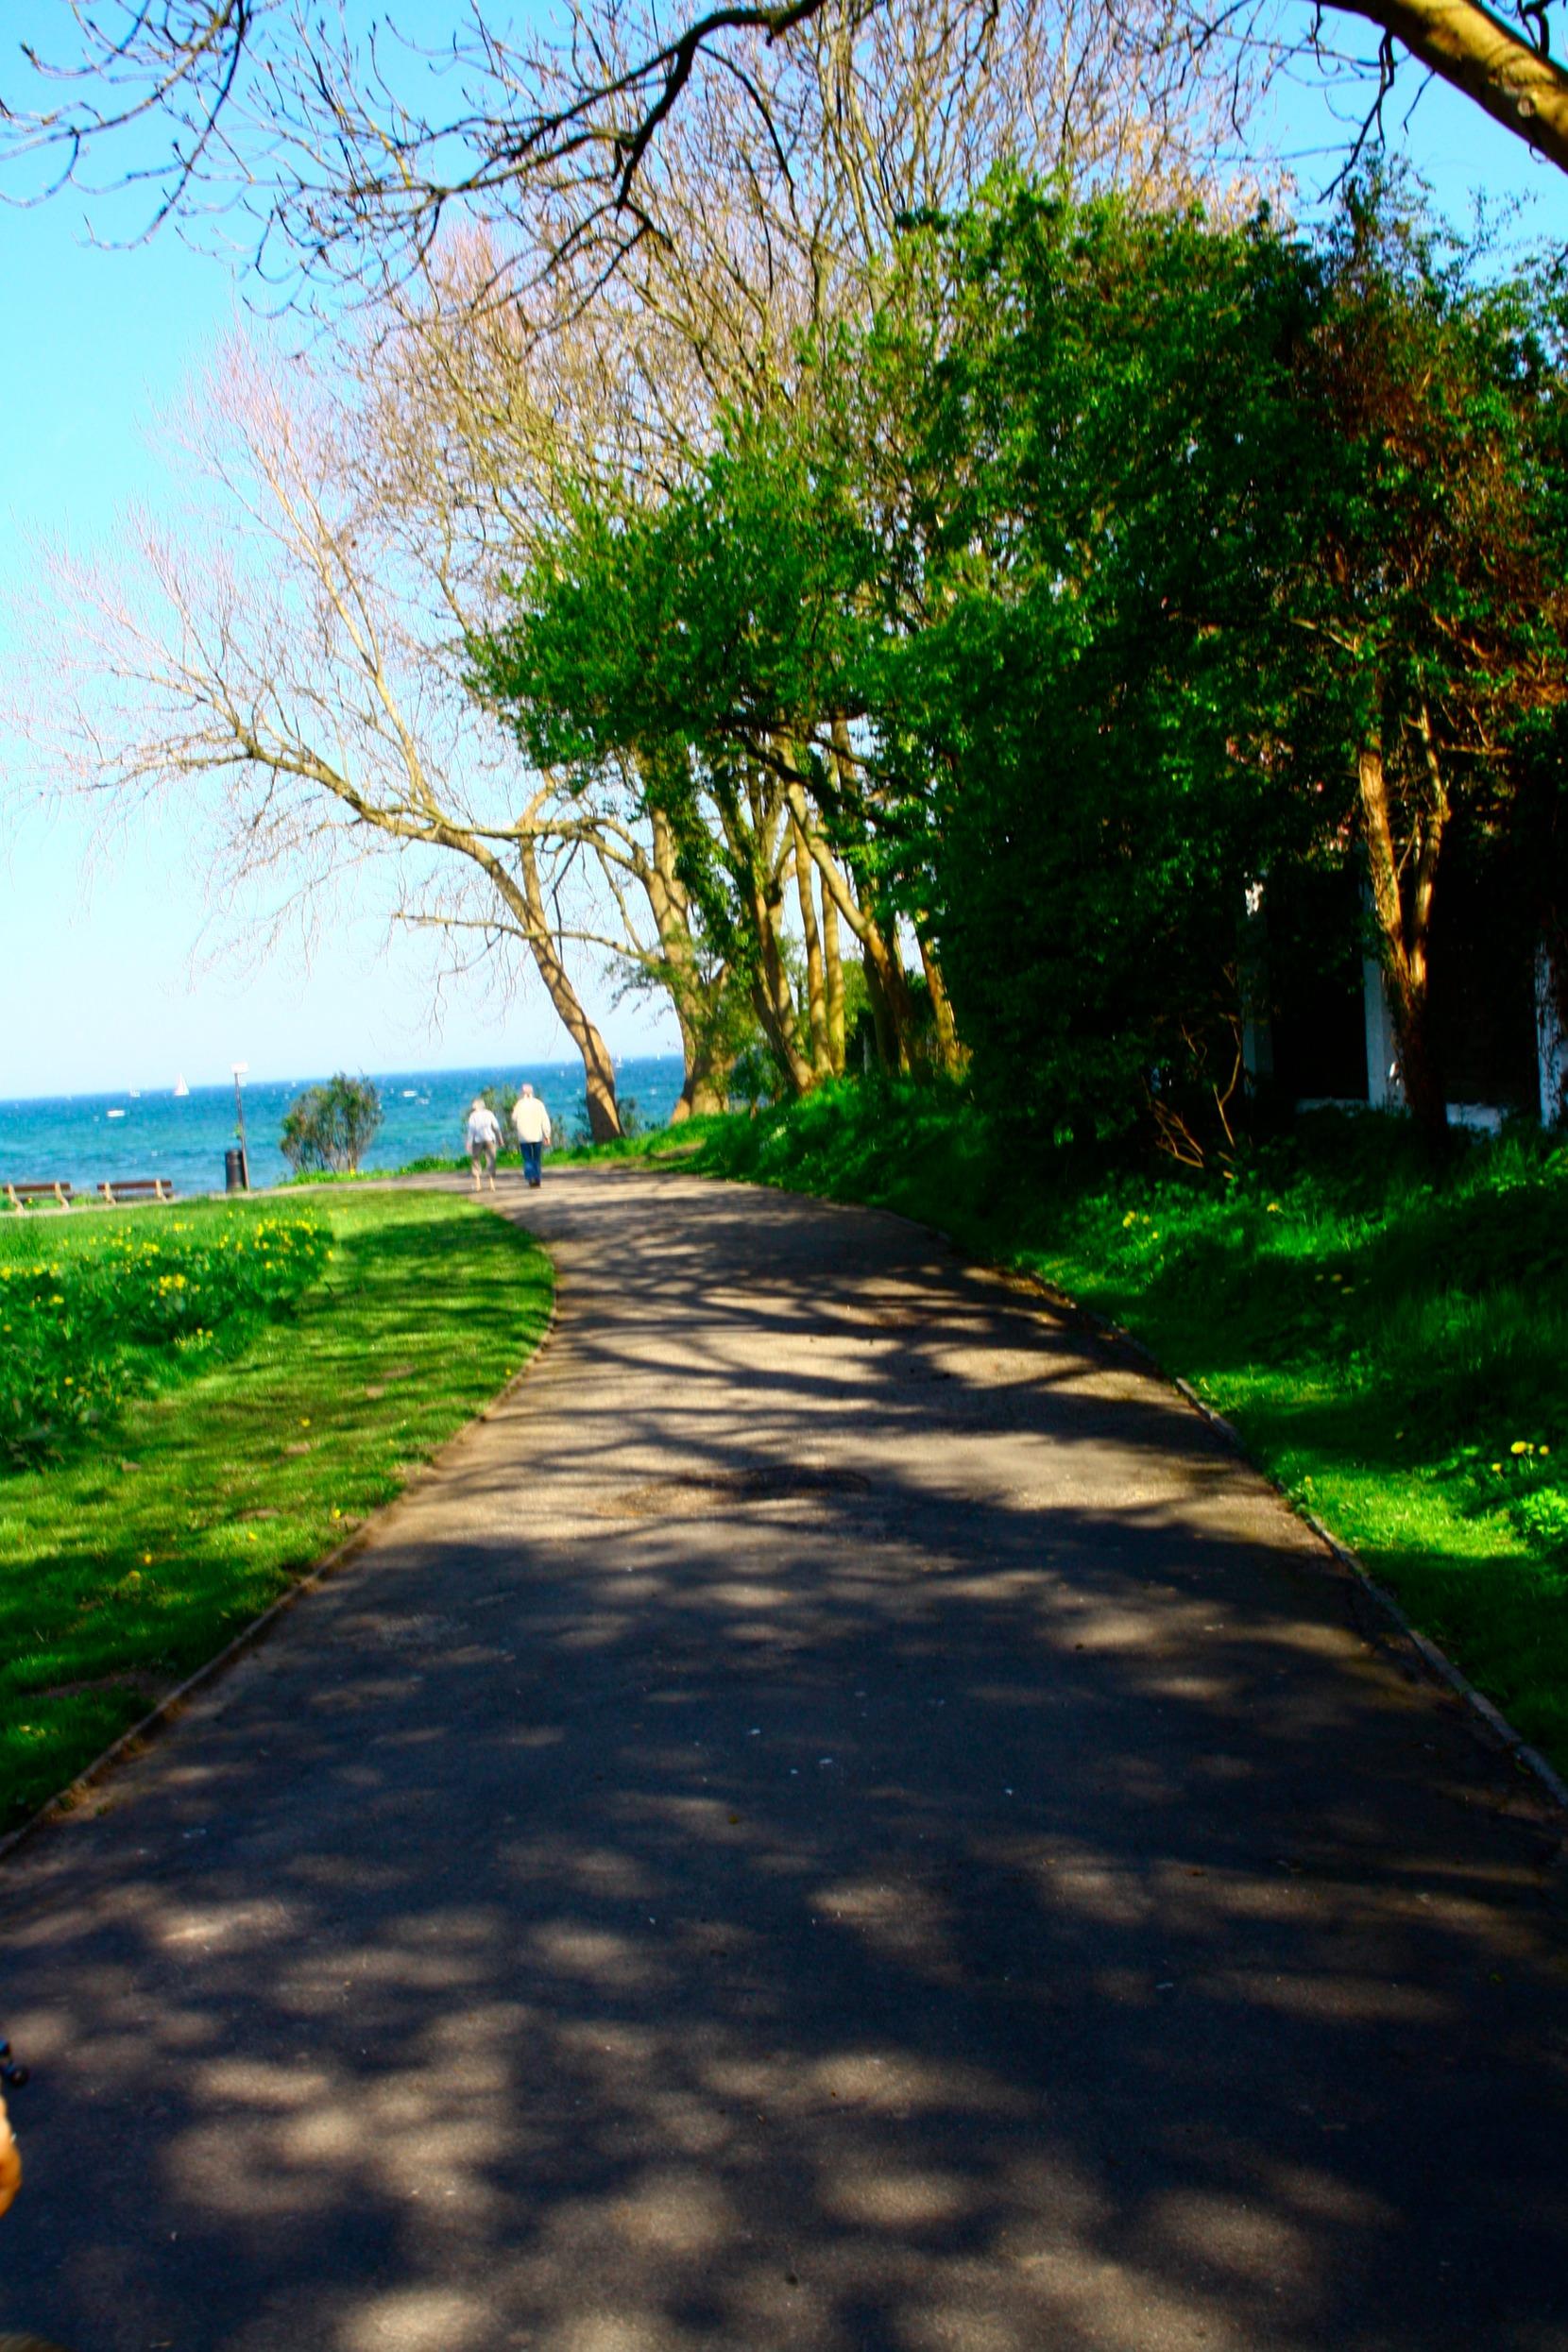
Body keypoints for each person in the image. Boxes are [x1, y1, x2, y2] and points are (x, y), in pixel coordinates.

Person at [511, 1082, 553, 1188]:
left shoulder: (519, 1105)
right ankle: (537, 1178)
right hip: (537, 1135)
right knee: (537, 1158)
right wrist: (547, 1135)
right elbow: (545, 1120)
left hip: (524, 1137)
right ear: (532, 1092)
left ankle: (531, 1178)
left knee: (528, 1159)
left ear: (522, 1092)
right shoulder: (539, 1104)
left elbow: (513, 1119)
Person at [464, 1096, 503, 1192]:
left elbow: (471, 1130)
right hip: (490, 1139)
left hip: (478, 1140)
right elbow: (496, 1127)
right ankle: (492, 1184)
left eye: (473, 1104)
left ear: (476, 1106)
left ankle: (478, 1183)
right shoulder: (489, 1113)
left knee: (476, 1160)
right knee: (491, 1160)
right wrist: (500, 1139)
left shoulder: (473, 1116)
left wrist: (469, 1142)